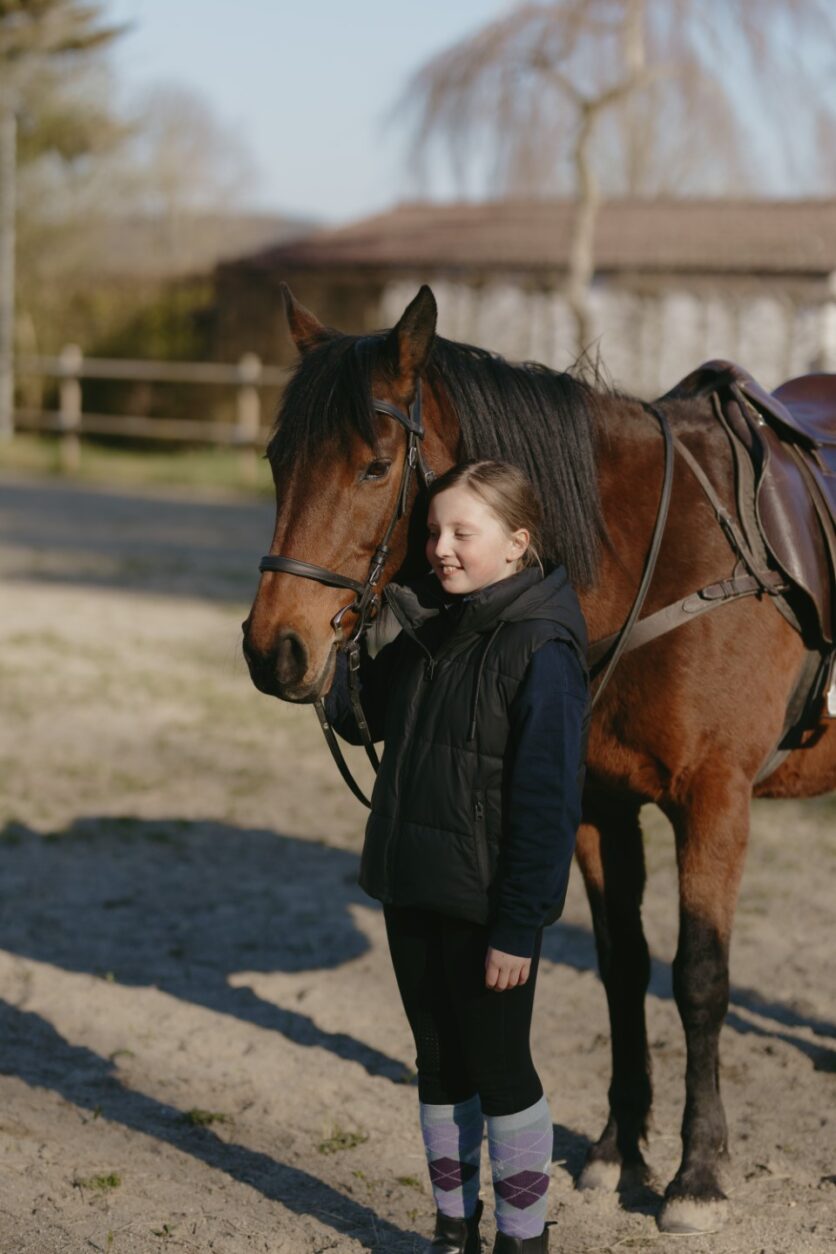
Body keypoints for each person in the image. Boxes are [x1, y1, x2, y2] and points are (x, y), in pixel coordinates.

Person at [324, 458, 589, 1254]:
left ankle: (521, 1238)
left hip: (488, 909)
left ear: (517, 543)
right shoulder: (435, 622)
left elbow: (547, 807)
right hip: (413, 885)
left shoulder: (544, 650)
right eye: (433, 531)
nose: (440, 548)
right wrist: (369, 637)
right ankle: (452, 1226)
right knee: (436, 1061)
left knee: (501, 1069)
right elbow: (357, 720)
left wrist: (518, 925)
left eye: (461, 533)